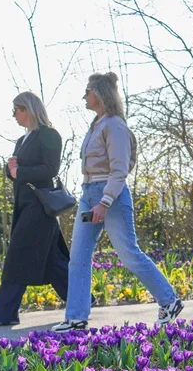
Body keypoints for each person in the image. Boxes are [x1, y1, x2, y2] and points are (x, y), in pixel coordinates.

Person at [54, 72, 183, 332]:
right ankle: (76, 317)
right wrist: (93, 199)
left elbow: (119, 170)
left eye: (88, 91)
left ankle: (169, 301)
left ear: (100, 93)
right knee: (77, 257)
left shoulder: (115, 125)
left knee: (128, 253)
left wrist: (104, 201)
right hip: (89, 194)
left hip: (110, 196)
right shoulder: (96, 125)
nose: (84, 96)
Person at [0, 92, 70, 326]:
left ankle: (4, 313)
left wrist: (19, 172)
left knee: (18, 255)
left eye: (17, 109)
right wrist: (10, 169)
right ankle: (82, 299)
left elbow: (50, 169)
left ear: (29, 109)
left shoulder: (49, 135)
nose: (14, 115)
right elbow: (17, 173)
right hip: (24, 206)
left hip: (40, 207)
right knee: (52, 260)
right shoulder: (22, 140)